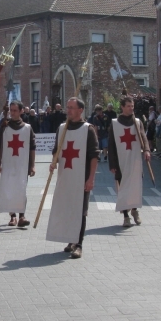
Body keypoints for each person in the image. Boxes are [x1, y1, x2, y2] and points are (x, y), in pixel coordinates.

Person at [47, 97, 98, 259]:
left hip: (81, 177)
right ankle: (70, 240)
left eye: (71, 107)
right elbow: (56, 149)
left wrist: (91, 178)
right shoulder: (62, 128)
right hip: (66, 176)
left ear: (80, 110)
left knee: (80, 211)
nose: (67, 110)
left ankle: (79, 244)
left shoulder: (88, 129)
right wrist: (54, 161)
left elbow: (94, 156)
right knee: (68, 208)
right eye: (67, 107)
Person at [108, 96, 151, 227]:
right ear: (122, 107)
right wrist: (112, 164)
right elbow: (112, 145)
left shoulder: (137, 122)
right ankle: (126, 216)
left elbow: (143, 137)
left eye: (132, 106)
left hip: (135, 159)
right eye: (128, 106)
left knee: (135, 187)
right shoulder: (115, 123)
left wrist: (147, 150)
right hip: (121, 161)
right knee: (123, 189)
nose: (131, 108)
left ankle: (134, 210)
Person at [0, 100, 35, 227]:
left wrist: (32, 165)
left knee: (21, 189)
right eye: (11, 110)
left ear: (21, 111)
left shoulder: (28, 128)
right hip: (7, 163)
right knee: (9, 189)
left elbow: (32, 148)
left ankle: (22, 216)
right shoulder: (4, 127)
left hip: (22, 164)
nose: (12, 113)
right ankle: (12, 216)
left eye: (15, 110)